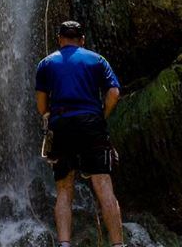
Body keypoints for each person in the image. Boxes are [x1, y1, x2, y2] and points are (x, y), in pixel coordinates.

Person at [35, 21, 125, 247]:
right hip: (91, 123)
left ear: (59, 39)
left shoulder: (46, 63)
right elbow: (114, 93)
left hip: (62, 124)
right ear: (82, 39)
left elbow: (41, 106)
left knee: (64, 188)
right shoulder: (97, 60)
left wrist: (49, 115)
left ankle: (64, 244)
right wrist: (100, 116)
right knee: (103, 184)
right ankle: (118, 244)